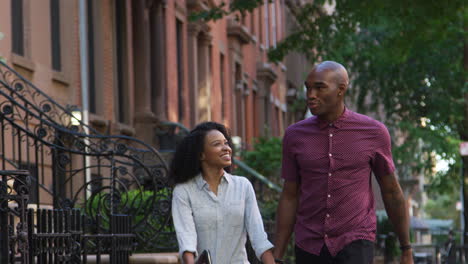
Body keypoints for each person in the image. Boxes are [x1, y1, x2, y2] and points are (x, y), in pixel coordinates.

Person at [273, 61, 414, 264]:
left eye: (319, 87)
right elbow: (289, 195)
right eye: (308, 88)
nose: (311, 95)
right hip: (309, 244)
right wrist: (278, 255)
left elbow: (391, 191)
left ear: (341, 89)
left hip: (355, 242)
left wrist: (406, 249)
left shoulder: (373, 132)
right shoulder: (295, 136)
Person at [171, 122, 275, 264]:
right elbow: (187, 241)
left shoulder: (243, 186)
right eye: (217, 144)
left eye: (226, 143)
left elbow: (259, 239)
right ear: (201, 155)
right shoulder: (184, 191)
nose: (226, 148)